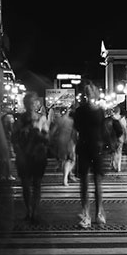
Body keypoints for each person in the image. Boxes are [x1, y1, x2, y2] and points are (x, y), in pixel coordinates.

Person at [73, 82, 107, 228]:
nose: (89, 95)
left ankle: (99, 212)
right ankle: (86, 213)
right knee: (85, 183)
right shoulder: (81, 111)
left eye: (91, 92)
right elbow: (77, 129)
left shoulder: (99, 111)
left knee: (96, 183)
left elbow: (102, 129)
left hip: (95, 147)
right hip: (86, 147)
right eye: (87, 92)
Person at [13, 92, 50, 223]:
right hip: (24, 156)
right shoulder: (20, 119)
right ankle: (29, 210)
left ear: (36, 104)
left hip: (38, 155)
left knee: (37, 184)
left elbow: (47, 138)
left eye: (33, 103)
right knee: (26, 185)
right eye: (28, 103)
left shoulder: (42, 119)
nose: (31, 105)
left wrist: (38, 133)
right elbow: (14, 138)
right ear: (25, 104)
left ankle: (34, 210)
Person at [50, 107, 77, 186]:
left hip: (60, 141)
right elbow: (74, 133)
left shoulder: (58, 120)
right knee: (71, 160)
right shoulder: (71, 121)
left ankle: (65, 177)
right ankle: (66, 177)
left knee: (64, 160)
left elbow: (52, 132)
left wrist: (51, 140)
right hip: (69, 141)